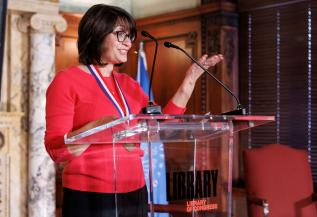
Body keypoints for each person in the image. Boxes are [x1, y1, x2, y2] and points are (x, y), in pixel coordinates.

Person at [45, 4, 223, 217]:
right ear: (97, 33)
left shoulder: (128, 84)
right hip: (90, 194)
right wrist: (97, 128)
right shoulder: (66, 81)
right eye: (121, 35)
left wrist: (190, 79)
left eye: (129, 36)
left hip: (135, 190)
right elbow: (56, 150)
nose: (128, 42)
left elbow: (158, 127)